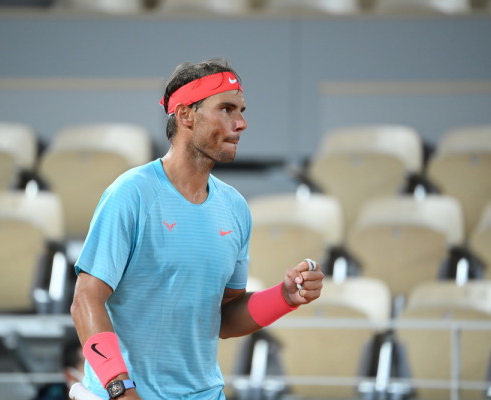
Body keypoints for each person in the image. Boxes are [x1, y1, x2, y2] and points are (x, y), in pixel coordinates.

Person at [70, 57, 324, 400]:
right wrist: (121, 390)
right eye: (226, 109)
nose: (242, 123)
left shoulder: (234, 208)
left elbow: (222, 317)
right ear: (185, 115)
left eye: (241, 110)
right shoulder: (131, 193)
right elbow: (85, 300)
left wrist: (283, 297)